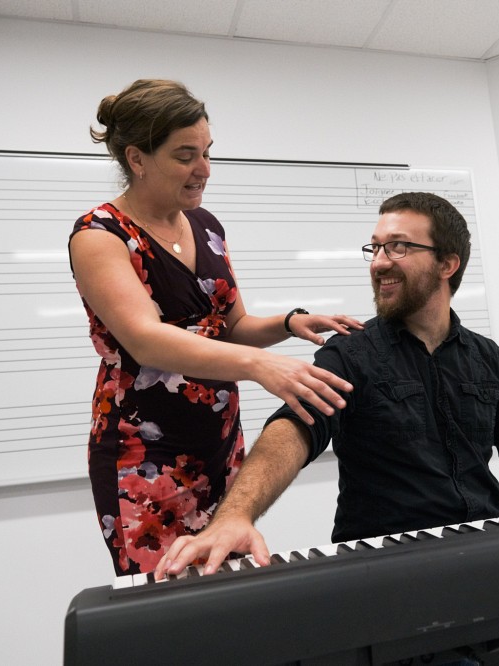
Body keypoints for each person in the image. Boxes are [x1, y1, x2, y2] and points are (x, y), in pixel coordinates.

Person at [155, 191, 499, 664]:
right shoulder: (351, 355)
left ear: (447, 263)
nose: (379, 261)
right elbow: (292, 431)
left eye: (399, 247)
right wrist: (235, 516)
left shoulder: (488, 359)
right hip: (393, 584)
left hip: (491, 568)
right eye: (375, 247)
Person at [68, 79, 363, 576]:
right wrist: (260, 365)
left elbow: (231, 325)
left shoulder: (205, 225)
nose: (204, 169)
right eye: (185, 156)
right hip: (144, 453)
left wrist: (289, 323)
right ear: (137, 158)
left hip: (220, 445)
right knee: (166, 596)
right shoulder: (100, 235)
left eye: (207, 152)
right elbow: (146, 340)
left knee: (223, 582)